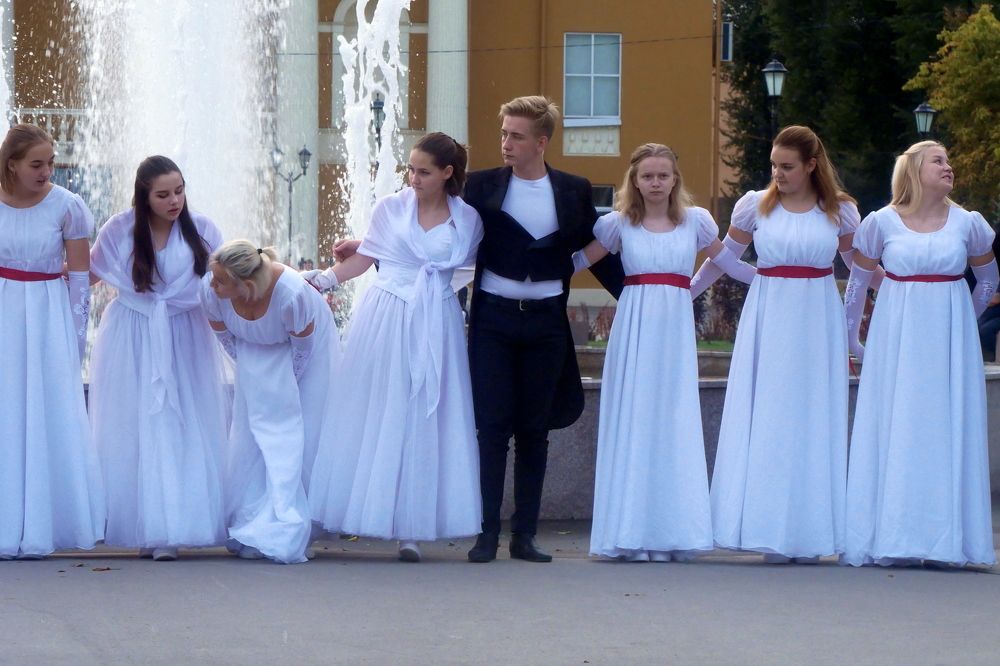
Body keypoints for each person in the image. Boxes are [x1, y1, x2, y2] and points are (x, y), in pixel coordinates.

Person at [306, 132, 483, 562]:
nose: (413, 178)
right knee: (376, 407)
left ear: (447, 173)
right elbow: (367, 256)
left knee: (424, 413)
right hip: (386, 313)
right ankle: (349, 508)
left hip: (436, 317)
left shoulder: (468, 219)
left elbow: (469, 267)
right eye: (410, 169)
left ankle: (412, 527)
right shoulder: (390, 207)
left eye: (424, 172)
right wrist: (325, 279)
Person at [463, 96, 624, 562]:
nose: (506, 143)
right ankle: (486, 534)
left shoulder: (573, 189)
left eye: (516, 136)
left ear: (541, 142)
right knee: (492, 428)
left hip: (547, 321)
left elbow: (597, 245)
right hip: (493, 319)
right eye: (504, 134)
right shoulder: (480, 186)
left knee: (535, 429)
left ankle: (525, 535)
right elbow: (436, 225)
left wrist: (637, 293)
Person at [577, 143, 754, 562]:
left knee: (674, 420)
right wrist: (525, 273)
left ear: (675, 179)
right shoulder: (618, 224)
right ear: (635, 181)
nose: (655, 183)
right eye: (647, 176)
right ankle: (632, 534)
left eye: (663, 175)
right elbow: (581, 260)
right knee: (637, 418)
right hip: (635, 329)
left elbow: (727, 263)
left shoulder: (695, 222)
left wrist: (778, 280)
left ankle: (672, 534)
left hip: (674, 331)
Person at [692, 125, 862, 563]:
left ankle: (810, 533)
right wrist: (686, 291)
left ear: (811, 165)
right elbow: (723, 257)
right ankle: (766, 529)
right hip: (769, 317)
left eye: (787, 166)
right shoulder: (755, 206)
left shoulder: (840, 211)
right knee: (769, 414)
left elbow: (858, 269)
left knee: (812, 415)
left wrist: (903, 286)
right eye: (773, 165)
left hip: (817, 320)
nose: (777, 174)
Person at [843, 141, 997, 568]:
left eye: (949, 160)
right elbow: (857, 286)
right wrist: (850, 339)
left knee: (946, 425)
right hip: (896, 340)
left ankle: (947, 541)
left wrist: (960, 322)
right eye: (938, 160)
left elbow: (988, 280)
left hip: (949, 346)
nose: (948, 167)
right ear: (913, 169)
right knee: (898, 422)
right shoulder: (880, 223)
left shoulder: (969, 224)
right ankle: (894, 535)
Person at [88, 156, 228, 561]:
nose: (174, 201)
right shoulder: (119, 229)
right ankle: (145, 525)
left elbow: (223, 280)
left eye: (179, 191)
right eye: (163, 195)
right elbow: (90, 271)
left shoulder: (203, 229)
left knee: (182, 422)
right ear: (144, 196)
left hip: (186, 333)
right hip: (131, 332)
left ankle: (176, 524)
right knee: (133, 425)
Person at [0, 123, 104, 559]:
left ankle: (50, 519)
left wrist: (76, 335)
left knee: (47, 410)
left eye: (51, 163)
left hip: (48, 315)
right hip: (4, 312)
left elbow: (80, 278)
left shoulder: (68, 206)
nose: (47, 171)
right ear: (12, 165)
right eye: (36, 164)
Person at [201, 240, 339, 564]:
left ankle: (294, 518)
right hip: (253, 356)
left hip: (306, 359)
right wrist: (255, 376)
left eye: (221, 281)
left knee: (297, 433)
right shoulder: (212, 294)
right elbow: (226, 338)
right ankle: (251, 519)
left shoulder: (292, 296)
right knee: (251, 435)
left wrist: (284, 387)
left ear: (246, 285)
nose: (212, 285)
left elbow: (303, 350)